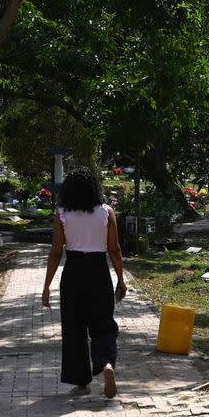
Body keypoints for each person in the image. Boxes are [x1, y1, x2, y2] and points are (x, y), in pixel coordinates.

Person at [41, 167, 127, 398]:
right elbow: (115, 249)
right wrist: (120, 278)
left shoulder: (62, 215)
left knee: (74, 327)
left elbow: (56, 252)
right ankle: (106, 364)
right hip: (99, 271)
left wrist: (47, 286)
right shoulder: (106, 213)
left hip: (74, 272)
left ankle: (82, 383)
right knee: (103, 324)